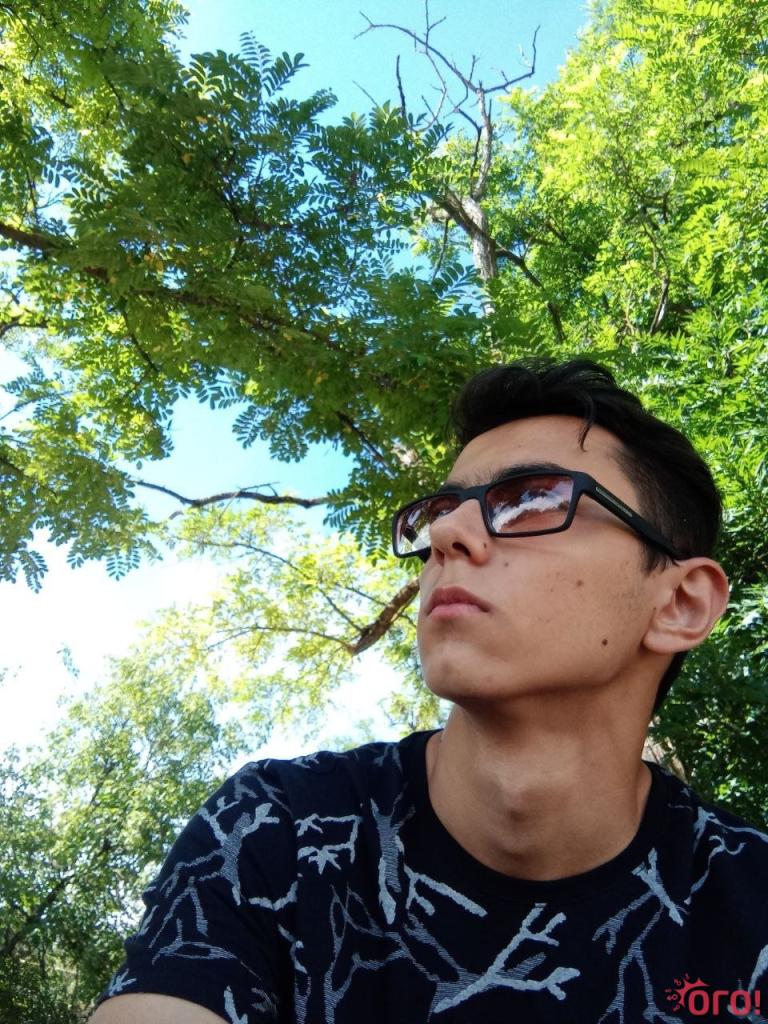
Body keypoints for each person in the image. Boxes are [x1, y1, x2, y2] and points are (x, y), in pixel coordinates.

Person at [90, 359, 768, 1024]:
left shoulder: (750, 897)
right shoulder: (277, 831)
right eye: (442, 510)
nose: (445, 534)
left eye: (532, 498)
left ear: (680, 604)